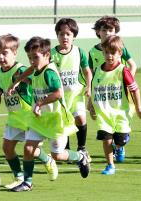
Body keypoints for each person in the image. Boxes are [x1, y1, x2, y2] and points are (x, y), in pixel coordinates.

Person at [10, 37, 90, 192]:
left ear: (47, 55)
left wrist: (40, 103)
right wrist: (17, 81)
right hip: (39, 119)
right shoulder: (37, 68)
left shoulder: (49, 73)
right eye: (30, 58)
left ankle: (81, 157)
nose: (32, 61)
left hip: (55, 120)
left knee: (57, 155)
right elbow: (30, 70)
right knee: (28, 149)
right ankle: (27, 183)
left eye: (36, 57)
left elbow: (59, 93)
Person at [0, 34, 58, 190]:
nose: (1, 57)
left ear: (15, 53)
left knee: (30, 149)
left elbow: (33, 76)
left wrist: (21, 80)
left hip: (29, 114)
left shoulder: (21, 69)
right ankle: (18, 177)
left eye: (5, 53)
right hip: (14, 116)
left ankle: (47, 160)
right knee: (7, 148)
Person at [88, 35, 141, 175]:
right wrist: (90, 106)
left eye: (113, 53)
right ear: (102, 52)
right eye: (106, 52)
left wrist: (138, 108)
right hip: (103, 113)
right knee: (106, 139)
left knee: (121, 139)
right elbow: (93, 89)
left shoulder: (123, 71)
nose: (109, 56)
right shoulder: (97, 71)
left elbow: (135, 89)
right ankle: (110, 165)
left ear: (120, 53)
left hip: (121, 112)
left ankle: (119, 146)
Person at [88, 16, 137, 162]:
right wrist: (90, 98)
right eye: (105, 30)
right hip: (103, 95)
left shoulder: (120, 47)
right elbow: (91, 74)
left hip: (118, 94)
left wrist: (127, 81)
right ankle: (111, 156)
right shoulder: (92, 52)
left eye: (111, 30)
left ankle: (120, 145)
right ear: (98, 32)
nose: (108, 33)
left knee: (121, 127)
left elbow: (132, 65)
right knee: (106, 126)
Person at [51, 18, 92, 156]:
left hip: (76, 94)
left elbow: (87, 71)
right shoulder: (51, 54)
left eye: (68, 34)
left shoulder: (79, 52)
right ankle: (66, 149)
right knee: (64, 123)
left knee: (80, 118)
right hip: (59, 97)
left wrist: (89, 86)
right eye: (61, 34)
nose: (65, 37)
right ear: (57, 35)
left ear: (74, 36)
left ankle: (82, 147)